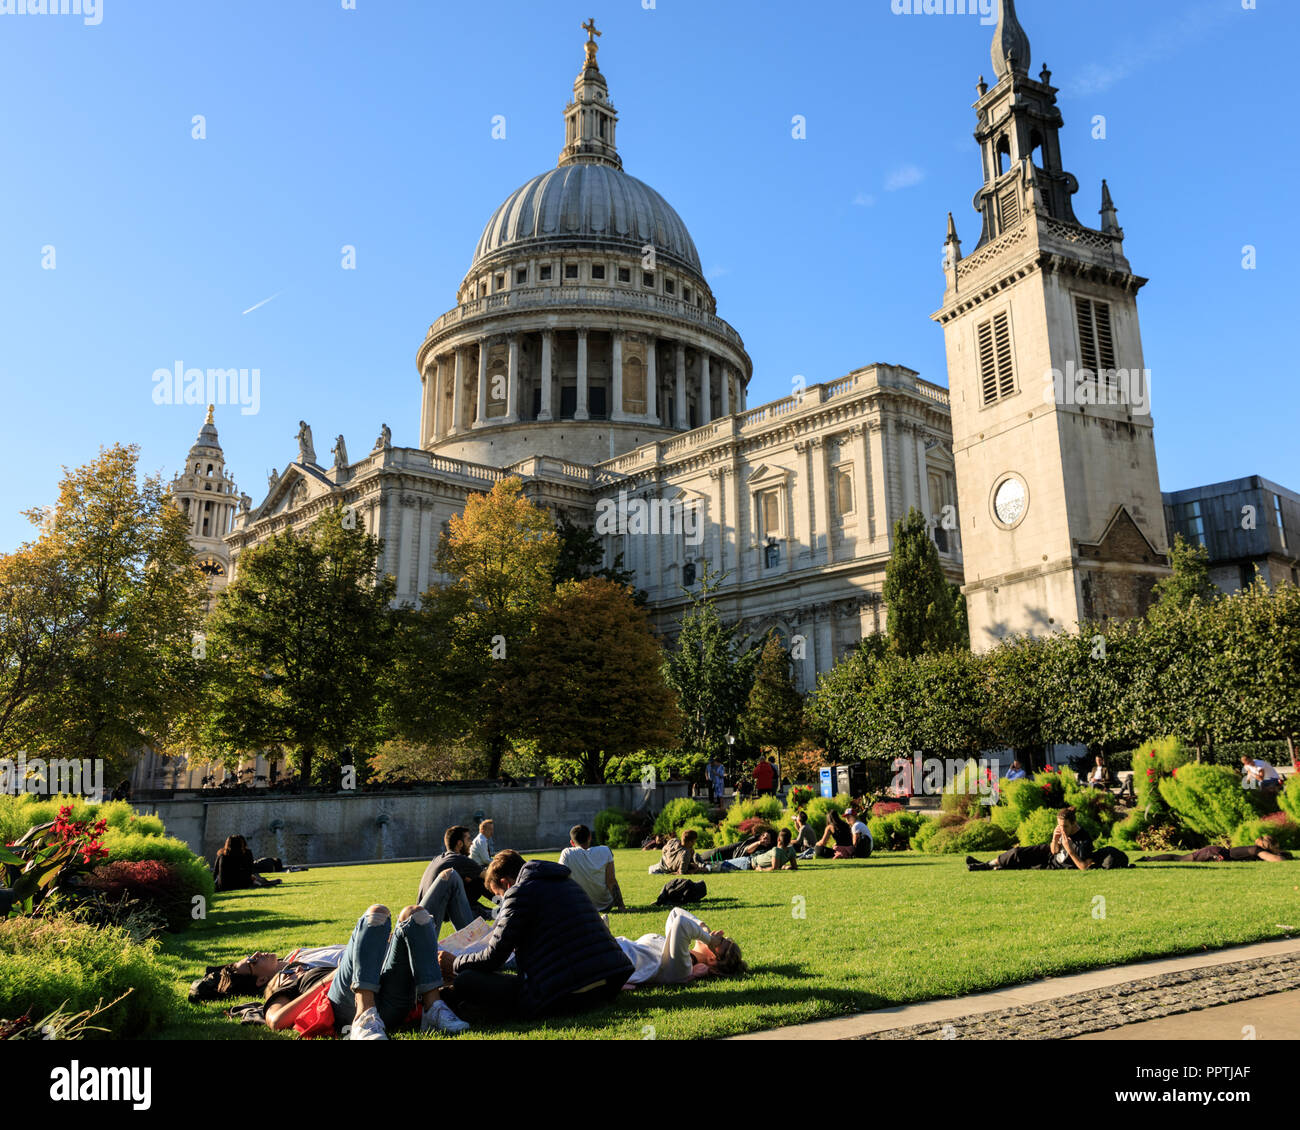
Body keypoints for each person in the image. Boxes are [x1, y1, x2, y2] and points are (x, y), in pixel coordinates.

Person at [438, 850, 634, 1021]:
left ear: (506, 884)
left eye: (498, 896)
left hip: (566, 992)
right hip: (605, 985)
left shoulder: (517, 893)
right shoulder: (567, 883)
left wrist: (455, 962)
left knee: (467, 980)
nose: (501, 902)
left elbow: (493, 958)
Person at [263, 902, 469, 1038]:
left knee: (415, 914)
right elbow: (276, 1020)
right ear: (265, 981)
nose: (295, 970)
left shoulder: (305, 961)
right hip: (345, 1004)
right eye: (288, 973)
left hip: (390, 1001)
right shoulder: (289, 988)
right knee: (376, 913)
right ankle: (364, 1017)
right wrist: (326, 980)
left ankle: (434, 1009)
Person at [616, 907, 746, 986]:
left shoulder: (682, 967)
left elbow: (681, 923)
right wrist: (703, 927)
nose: (716, 935)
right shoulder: (676, 951)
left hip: (611, 959)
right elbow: (675, 913)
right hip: (610, 947)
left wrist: (709, 939)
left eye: (720, 941)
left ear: (713, 959)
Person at [967, 807, 1094, 871]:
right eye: (1059, 826)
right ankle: (986, 864)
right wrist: (1054, 840)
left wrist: (1069, 850)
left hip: (1054, 865)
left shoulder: (1084, 841)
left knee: (1022, 864)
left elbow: (1084, 867)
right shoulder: (1062, 829)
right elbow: (1054, 851)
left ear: (1074, 823)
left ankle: (986, 866)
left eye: (1065, 826)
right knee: (1017, 853)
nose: (1062, 829)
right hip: (1049, 855)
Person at [419, 825, 492, 918]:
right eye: (469, 839)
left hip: (425, 910)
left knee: (472, 879)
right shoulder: (459, 859)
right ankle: (501, 904)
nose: (472, 843)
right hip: (440, 911)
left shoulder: (437, 859)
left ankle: (490, 910)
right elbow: (488, 876)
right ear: (459, 844)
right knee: (479, 880)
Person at [558, 823, 626, 913]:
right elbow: (611, 881)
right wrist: (621, 906)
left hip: (579, 905)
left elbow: (560, 880)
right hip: (606, 905)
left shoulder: (567, 853)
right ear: (589, 837)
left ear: (572, 842)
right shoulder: (605, 851)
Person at [1139, 836, 1292, 864]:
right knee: (1179, 859)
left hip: (1216, 851)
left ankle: (1148, 859)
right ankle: (1148, 860)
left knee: (1179, 858)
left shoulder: (1255, 849)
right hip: (1213, 854)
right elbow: (1277, 859)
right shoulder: (1256, 850)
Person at [213, 835, 282, 892]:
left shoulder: (222, 855)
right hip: (243, 884)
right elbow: (250, 870)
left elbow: (215, 872)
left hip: (224, 886)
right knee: (257, 878)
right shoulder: (247, 853)